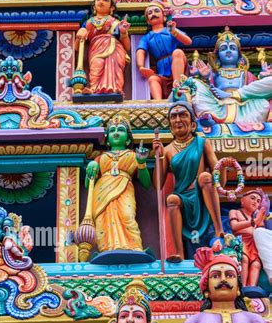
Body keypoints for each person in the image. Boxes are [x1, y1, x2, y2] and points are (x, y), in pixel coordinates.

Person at [152, 103, 224, 261]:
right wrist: (159, 157)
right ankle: (179, 252)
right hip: (183, 196)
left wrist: (223, 168)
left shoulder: (202, 143)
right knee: (171, 199)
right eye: (173, 116)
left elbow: (217, 173)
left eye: (183, 115)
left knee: (205, 176)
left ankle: (219, 228)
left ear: (192, 124)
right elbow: (158, 184)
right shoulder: (169, 150)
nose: (178, 119)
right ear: (170, 127)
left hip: (202, 191)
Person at [85, 117, 150, 252]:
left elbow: (146, 183)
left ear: (127, 139)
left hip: (124, 188)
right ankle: (106, 249)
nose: (116, 132)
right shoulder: (101, 158)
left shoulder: (132, 155)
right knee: (104, 220)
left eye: (120, 130)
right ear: (107, 139)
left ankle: (133, 247)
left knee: (127, 216)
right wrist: (91, 167)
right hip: (102, 192)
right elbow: (88, 185)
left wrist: (142, 162)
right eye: (112, 130)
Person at [75, 0, 130, 96]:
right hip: (95, 49)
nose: (101, 1)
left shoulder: (115, 22)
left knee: (113, 67)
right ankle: (94, 89)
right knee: (97, 65)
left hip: (114, 49)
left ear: (112, 7)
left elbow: (127, 46)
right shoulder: (88, 23)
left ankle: (115, 88)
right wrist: (79, 34)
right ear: (94, 5)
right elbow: (76, 48)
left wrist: (124, 33)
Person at [136, 1, 191, 100]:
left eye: (156, 11)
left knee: (177, 52)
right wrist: (141, 66)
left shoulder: (170, 30)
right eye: (150, 13)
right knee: (153, 79)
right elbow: (141, 50)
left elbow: (188, 41)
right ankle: (159, 103)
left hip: (177, 66)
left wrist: (174, 32)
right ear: (148, 21)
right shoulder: (147, 37)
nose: (153, 14)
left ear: (164, 17)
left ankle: (177, 85)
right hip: (162, 73)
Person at [229, 189, 268, 288]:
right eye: (253, 198)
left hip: (254, 243)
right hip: (241, 241)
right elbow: (234, 226)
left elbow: (261, 233)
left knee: (256, 264)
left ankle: (252, 287)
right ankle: (243, 286)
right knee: (244, 259)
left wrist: (262, 219)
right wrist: (254, 221)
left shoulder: (258, 217)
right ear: (242, 201)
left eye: (258, 201)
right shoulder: (234, 212)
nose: (255, 202)